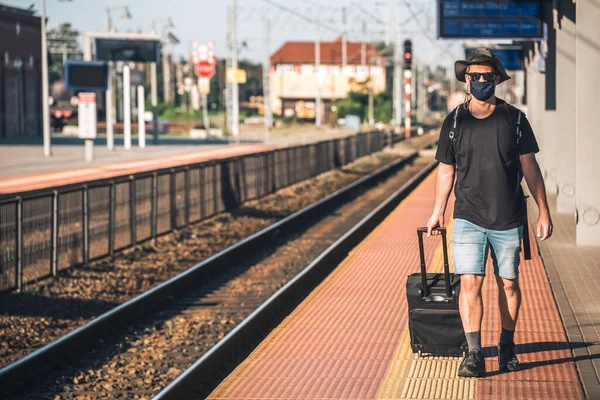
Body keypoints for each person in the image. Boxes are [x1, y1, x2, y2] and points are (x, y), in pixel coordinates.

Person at [426, 48, 553, 378]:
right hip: (467, 215)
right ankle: (474, 353)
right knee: (470, 283)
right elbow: (445, 171)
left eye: (487, 76)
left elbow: (530, 168)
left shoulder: (515, 119)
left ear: (497, 78)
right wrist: (438, 211)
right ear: (466, 80)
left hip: (509, 217)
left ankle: (507, 344)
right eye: (475, 77)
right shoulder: (454, 121)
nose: (481, 81)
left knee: (509, 285)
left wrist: (543, 211)